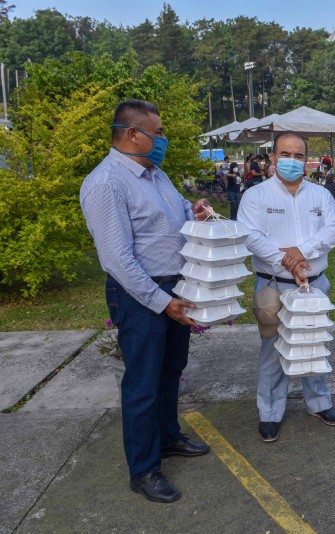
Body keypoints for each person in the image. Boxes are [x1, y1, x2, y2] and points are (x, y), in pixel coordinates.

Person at [80, 99, 211, 503]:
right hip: (140, 294)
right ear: (132, 134)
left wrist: (196, 212)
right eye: (156, 133)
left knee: (171, 369)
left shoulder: (155, 175)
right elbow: (117, 257)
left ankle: (168, 437)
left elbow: (174, 216)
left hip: (175, 286)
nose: (162, 140)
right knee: (141, 382)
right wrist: (160, 301)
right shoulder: (106, 183)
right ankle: (144, 468)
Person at [238, 131, 335, 443]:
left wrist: (303, 251)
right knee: (272, 350)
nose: (292, 161)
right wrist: (288, 260)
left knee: (314, 344)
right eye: (285, 154)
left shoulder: (320, 195)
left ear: (306, 160)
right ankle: (270, 412)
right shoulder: (256, 196)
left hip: (315, 285)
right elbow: (251, 236)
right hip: (274, 286)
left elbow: (333, 229)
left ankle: (320, 403)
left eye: (299, 155)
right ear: (272, 158)